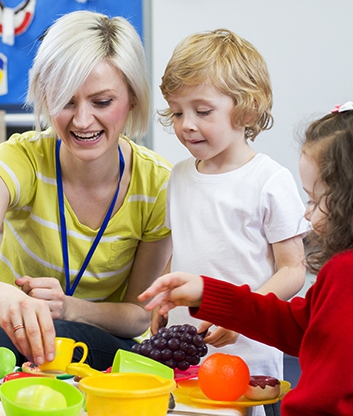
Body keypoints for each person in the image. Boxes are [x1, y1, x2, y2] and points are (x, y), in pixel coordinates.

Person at [0, 10, 173, 371]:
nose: (82, 121)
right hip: (14, 341)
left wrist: (69, 308)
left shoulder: (158, 184)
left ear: (132, 99)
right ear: (45, 98)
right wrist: (10, 300)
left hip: (106, 345)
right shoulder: (17, 161)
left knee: (76, 340)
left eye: (102, 102)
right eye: (66, 100)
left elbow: (138, 317)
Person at [139, 101, 353, 415]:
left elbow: (324, 396)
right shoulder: (341, 271)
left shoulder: (346, 273)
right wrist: (209, 294)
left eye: (316, 200)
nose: (307, 215)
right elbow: (301, 327)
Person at [154, 28, 310, 400]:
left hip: (250, 353)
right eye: (177, 112)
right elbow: (180, 252)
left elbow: (292, 270)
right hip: (186, 349)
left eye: (202, 111)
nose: (186, 123)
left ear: (247, 108)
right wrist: (162, 302)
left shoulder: (270, 179)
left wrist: (240, 316)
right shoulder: (178, 176)